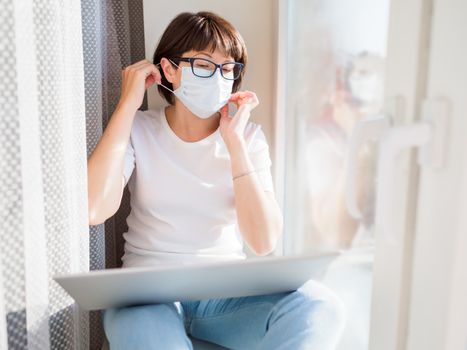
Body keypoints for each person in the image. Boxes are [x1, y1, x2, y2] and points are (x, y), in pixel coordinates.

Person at [87, 11, 346, 350]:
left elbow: (263, 240)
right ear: (169, 69)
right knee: (144, 332)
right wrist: (127, 104)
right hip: (148, 296)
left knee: (321, 308)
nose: (220, 77)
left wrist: (235, 145)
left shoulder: (249, 137)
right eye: (205, 65)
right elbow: (93, 208)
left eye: (228, 68)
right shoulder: (138, 129)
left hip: (224, 297)